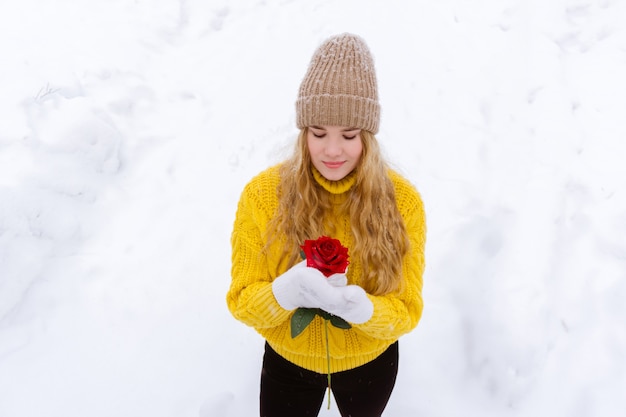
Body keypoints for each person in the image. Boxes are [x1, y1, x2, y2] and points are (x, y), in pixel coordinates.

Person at [227, 33, 426, 417]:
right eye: (319, 134)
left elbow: (407, 310)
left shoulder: (403, 203)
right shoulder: (263, 195)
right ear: (303, 132)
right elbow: (242, 300)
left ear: (368, 137)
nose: (332, 151)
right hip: (289, 362)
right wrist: (284, 293)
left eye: (349, 136)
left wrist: (364, 310)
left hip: (370, 363)